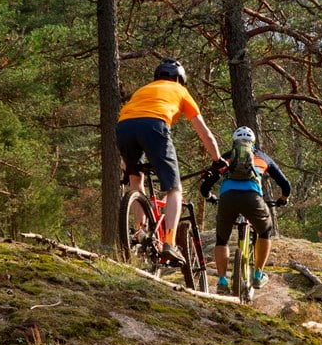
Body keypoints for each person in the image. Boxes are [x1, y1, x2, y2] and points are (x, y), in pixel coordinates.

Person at [117, 58, 224, 265]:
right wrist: (217, 159)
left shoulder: (143, 90)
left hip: (123, 127)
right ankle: (169, 242)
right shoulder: (181, 91)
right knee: (174, 189)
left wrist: (126, 164)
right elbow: (205, 134)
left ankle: (140, 232)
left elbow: (129, 120)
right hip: (154, 126)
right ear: (180, 79)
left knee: (136, 180)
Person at [200, 126, 291, 292]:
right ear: (253, 143)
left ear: (234, 142)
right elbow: (286, 184)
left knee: (222, 240)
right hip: (252, 198)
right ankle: (258, 275)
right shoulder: (263, 157)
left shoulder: (225, 159)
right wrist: (283, 199)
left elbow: (205, 187)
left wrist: (210, 197)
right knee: (265, 231)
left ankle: (222, 281)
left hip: (227, 199)